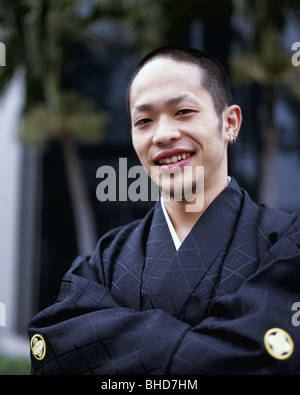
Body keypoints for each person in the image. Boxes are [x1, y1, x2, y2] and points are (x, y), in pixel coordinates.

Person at [27, 45, 300, 375]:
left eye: (183, 111)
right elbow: (55, 350)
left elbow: (267, 359)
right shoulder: (104, 261)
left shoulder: (285, 243)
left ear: (229, 122)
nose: (164, 134)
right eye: (144, 120)